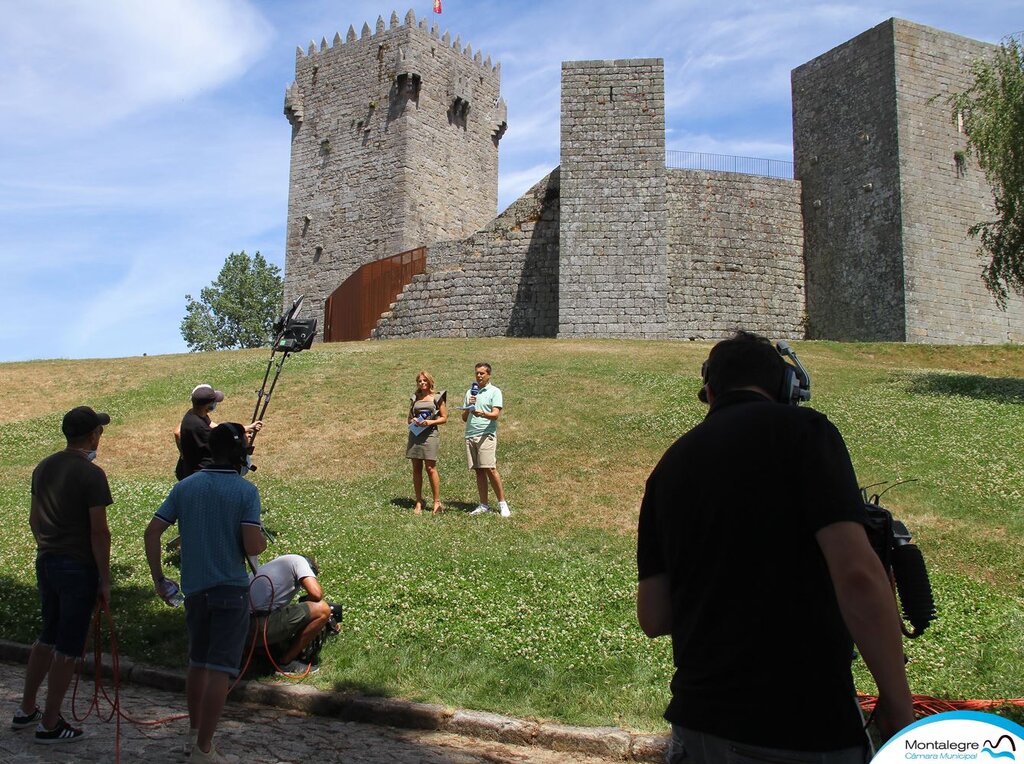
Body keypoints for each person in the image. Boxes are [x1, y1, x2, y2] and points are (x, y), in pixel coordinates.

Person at [636, 331, 914, 764]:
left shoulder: (670, 466)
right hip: (802, 727)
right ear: (787, 386)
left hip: (698, 724)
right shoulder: (807, 433)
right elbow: (858, 576)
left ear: (709, 391)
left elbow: (654, 617)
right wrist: (897, 703)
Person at [145, 422, 267, 764]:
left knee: (197, 664)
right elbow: (252, 543)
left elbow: (152, 532)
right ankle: (204, 748)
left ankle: (192, 735)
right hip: (230, 589)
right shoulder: (246, 492)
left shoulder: (186, 487)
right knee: (219, 670)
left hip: (194, 590)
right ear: (240, 453)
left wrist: (159, 580)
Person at [13, 406, 113, 744]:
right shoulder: (92, 475)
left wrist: (47, 546)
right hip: (77, 566)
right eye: (99, 430)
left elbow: (33, 520)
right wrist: (105, 578)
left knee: (48, 634)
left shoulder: (43, 467)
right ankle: (51, 722)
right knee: (69, 646)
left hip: (47, 560)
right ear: (92, 435)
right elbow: (99, 532)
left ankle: (27, 708)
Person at [248, 554, 333, 674]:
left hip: (238, 631)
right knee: (322, 609)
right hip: (258, 627)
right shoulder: (299, 561)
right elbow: (316, 593)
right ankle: (285, 663)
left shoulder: (273, 566)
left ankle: (259, 658)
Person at [174, 384, 262, 480]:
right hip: (205, 475)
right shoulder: (200, 428)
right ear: (207, 405)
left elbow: (217, 428)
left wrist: (247, 428)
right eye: (214, 401)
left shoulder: (193, 413)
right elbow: (223, 442)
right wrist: (243, 441)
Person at [462, 362, 510, 517]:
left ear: (489, 374)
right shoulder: (470, 392)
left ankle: (502, 504)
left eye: (482, 373)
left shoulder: (495, 391)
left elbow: (495, 414)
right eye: (477, 373)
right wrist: (469, 406)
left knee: (490, 468)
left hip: (486, 434)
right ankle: (483, 505)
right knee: (479, 471)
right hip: (470, 434)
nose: (479, 376)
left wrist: (481, 413)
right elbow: (464, 417)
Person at [406, 371, 448, 514]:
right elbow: (409, 418)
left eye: (425, 380)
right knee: (416, 468)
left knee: (431, 468)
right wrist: (413, 421)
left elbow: (444, 418)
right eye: (420, 381)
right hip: (415, 435)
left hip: (430, 435)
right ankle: (419, 501)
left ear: (430, 381)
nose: (422, 383)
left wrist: (430, 422)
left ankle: (437, 502)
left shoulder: (437, 397)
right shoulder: (415, 398)